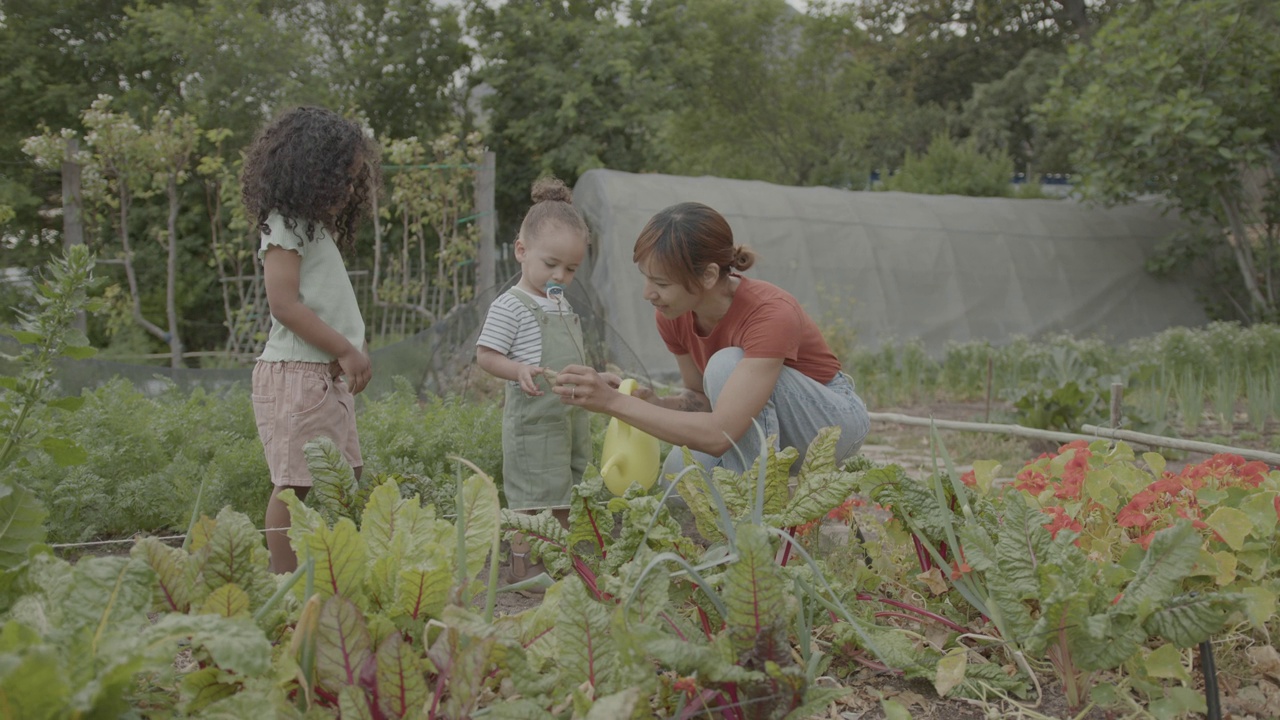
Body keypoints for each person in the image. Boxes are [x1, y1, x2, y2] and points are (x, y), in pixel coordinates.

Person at [552, 201, 870, 479]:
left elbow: (720, 435)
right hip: (748, 425)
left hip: (830, 423)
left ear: (707, 275)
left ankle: (756, 517)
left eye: (660, 282)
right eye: (646, 278)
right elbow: (700, 399)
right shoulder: (672, 314)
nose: (647, 293)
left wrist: (612, 404)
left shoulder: (771, 312)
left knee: (724, 366)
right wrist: (652, 403)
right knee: (679, 481)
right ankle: (743, 504)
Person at [240, 106, 380, 573]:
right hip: (297, 375)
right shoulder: (283, 224)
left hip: (324, 376)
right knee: (294, 483)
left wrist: (349, 351)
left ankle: (327, 566)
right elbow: (284, 305)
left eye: (352, 180)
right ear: (309, 171)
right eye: (342, 178)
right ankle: (283, 582)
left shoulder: (312, 228)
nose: (347, 189)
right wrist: (343, 348)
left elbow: (325, 301)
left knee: (347, 476)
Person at [475, 177, 604, 587]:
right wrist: (517, 370)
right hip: (534, 420)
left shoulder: (560, 302)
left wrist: (600, 379)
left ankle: (556, 559)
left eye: (571, 269)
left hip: (568, 416)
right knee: (533, 496)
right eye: (551, 265)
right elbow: (486, 355)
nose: (561, 276)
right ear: (521, 250)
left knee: (564, 491)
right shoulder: (510, 305)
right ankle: (521, 565)